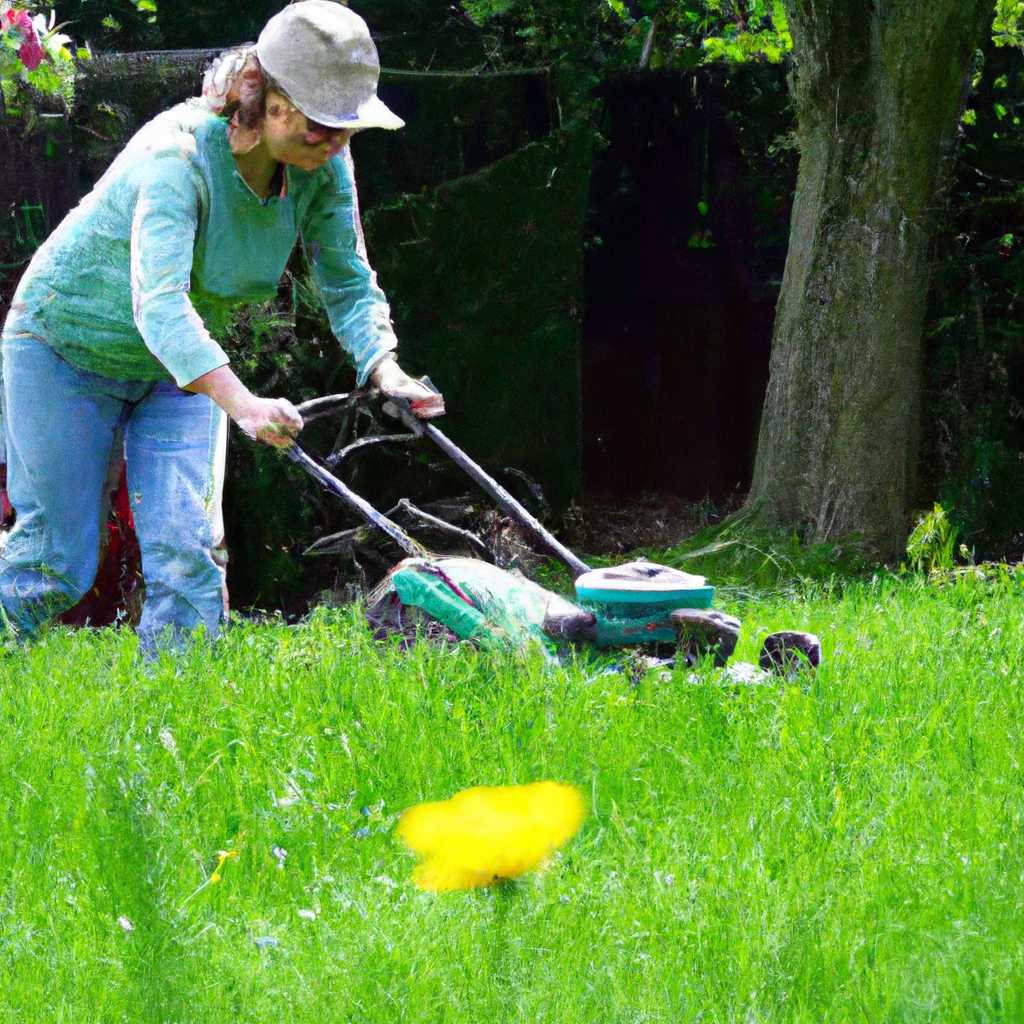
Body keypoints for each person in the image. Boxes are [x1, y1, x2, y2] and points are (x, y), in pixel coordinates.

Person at [0, 0, 442, 647]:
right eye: (323, 126)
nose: (337, 143)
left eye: (347, 129)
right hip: (62, 348)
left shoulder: (321, 168)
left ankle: (175, 729)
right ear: (265, 100)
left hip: (176, 376)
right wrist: (246, 405)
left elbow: (346, 280)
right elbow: (160, 305)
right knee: (56, 563)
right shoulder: (177, 157)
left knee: (187, 549)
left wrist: (387, 368)